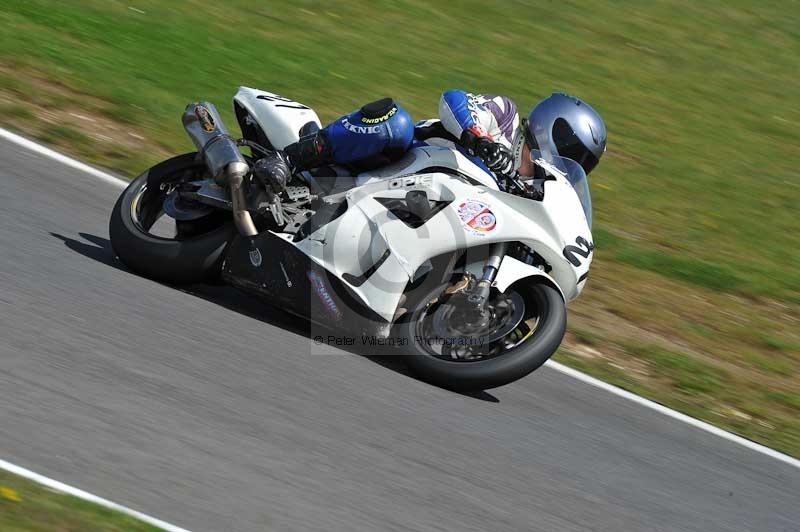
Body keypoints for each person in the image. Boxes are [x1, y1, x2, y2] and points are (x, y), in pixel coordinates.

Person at [254, 90, 607, 194]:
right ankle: (288, 160)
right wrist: (480, 140)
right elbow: (453, 99)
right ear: (554, 130)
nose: (573, 165)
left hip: (419, 208)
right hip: (394, 161)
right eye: (575, 153)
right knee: (396, 123)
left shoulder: (531, 189)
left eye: (581, 162)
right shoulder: (505, 116)